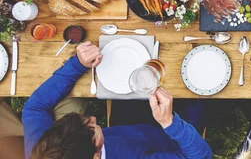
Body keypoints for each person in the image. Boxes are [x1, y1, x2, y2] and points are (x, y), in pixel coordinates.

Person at [22, 41, 212, 159]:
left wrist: (76, 65)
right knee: (202, 83)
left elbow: (34, 108)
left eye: (85, 119)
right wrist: (170, 123)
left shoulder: (44, 148)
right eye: (92, 128)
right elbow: (200, 156)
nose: (94, 119)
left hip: (129, 129)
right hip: (172, 142)